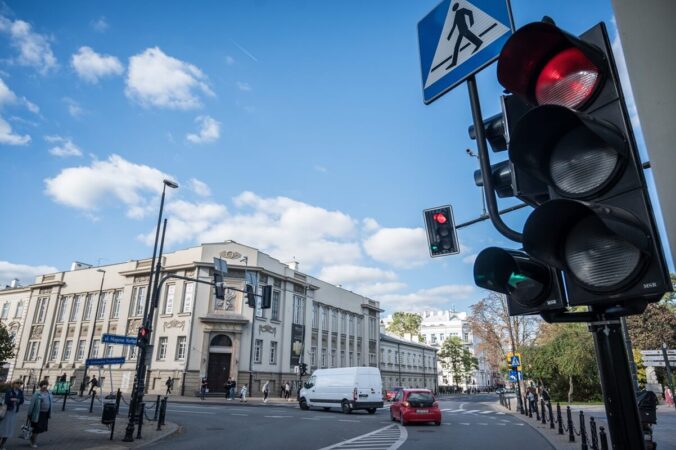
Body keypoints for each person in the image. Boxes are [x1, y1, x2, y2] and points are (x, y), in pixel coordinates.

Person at [0, 380, 25, 449]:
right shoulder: (9, 391)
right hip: (7, 411)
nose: (19, 384)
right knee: (2, 428)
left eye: (20, 383)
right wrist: (14, 400)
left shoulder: (20, 392)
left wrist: (19, 401)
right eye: (17, 383)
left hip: (14, 412)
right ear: (13, 384)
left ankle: (2, 445)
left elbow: (22, 400)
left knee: (9, 429)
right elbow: (6, 400)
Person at [28, 380, 52, 448]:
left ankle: (32, 439)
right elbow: (32, 404)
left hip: (45, 413)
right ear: (41, 386)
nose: (45, 386)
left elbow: (51, 403)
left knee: (40, 428)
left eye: (46, 385)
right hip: (37, 413)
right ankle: (33, 442)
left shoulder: (49, 393)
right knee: (37, 428)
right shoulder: (37, 393)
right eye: (43, 385)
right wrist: (29, 414)